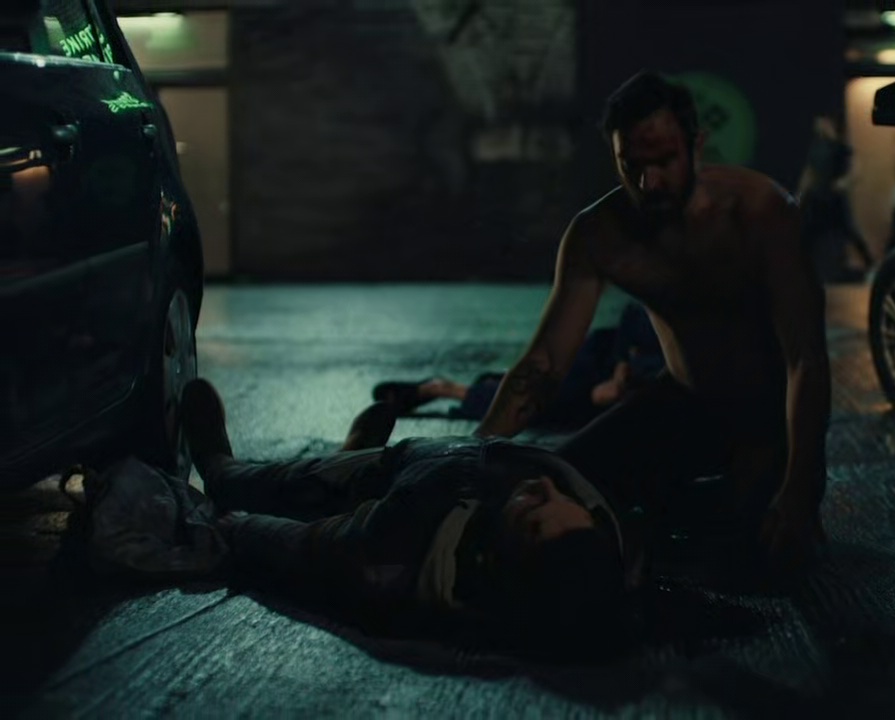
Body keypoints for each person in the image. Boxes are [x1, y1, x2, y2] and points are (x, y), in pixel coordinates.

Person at [472, 71, 831, 570]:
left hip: (765, 420)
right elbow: (547, 363)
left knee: (747, 551)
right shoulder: (599, 235)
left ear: (696, 146)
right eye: (632, 166)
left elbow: (805, 360)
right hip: (681, 403)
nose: (649, 183)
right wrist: (475, 452)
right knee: (547, 486)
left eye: (663, 161)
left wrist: (800, 487)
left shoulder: (760, 211)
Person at [179, 378, 636, 656]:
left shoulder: (391, 555)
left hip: (405, 486)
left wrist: (237, 528)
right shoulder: (606, 541)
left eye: (533, 515)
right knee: (320, 479)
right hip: (432, 464)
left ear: (496, 560)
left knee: (262, 488)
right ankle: (347, 458)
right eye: (569, 507)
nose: (545, 488)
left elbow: (302, 548)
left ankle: (225, 471)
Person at [371, 301, 663, 427]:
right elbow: (635, 314)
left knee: (546, 402)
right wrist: (620, 367)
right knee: (539, 393)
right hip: (603, 358)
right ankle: (449, 388)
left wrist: (620, 389)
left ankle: (455, 388)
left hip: (616, 392)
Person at [795, 114, 874, 281]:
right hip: (816, 198)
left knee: (849, 230)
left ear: (829, 123)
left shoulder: (841, 147)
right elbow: (809, 174)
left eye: (822, 122)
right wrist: (799, 196)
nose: (818, 125)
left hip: (834, 198)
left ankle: (871, 265)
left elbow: (856, 169)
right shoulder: (816, 147)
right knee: (806, 233)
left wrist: (843, 183)